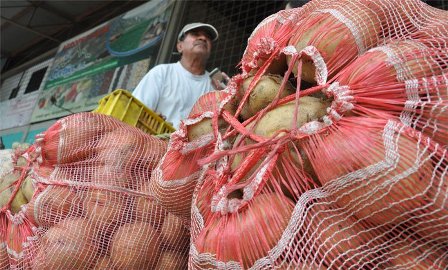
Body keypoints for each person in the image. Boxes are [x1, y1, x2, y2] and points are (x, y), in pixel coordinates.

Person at [132, 22, 226, 129]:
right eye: (195, 34)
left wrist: (230, 96)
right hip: (156, 143)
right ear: (180, 46)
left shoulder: (215, 86)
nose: (203, 38)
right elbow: (135, 111)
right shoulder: (162, 73)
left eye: (207, 37)